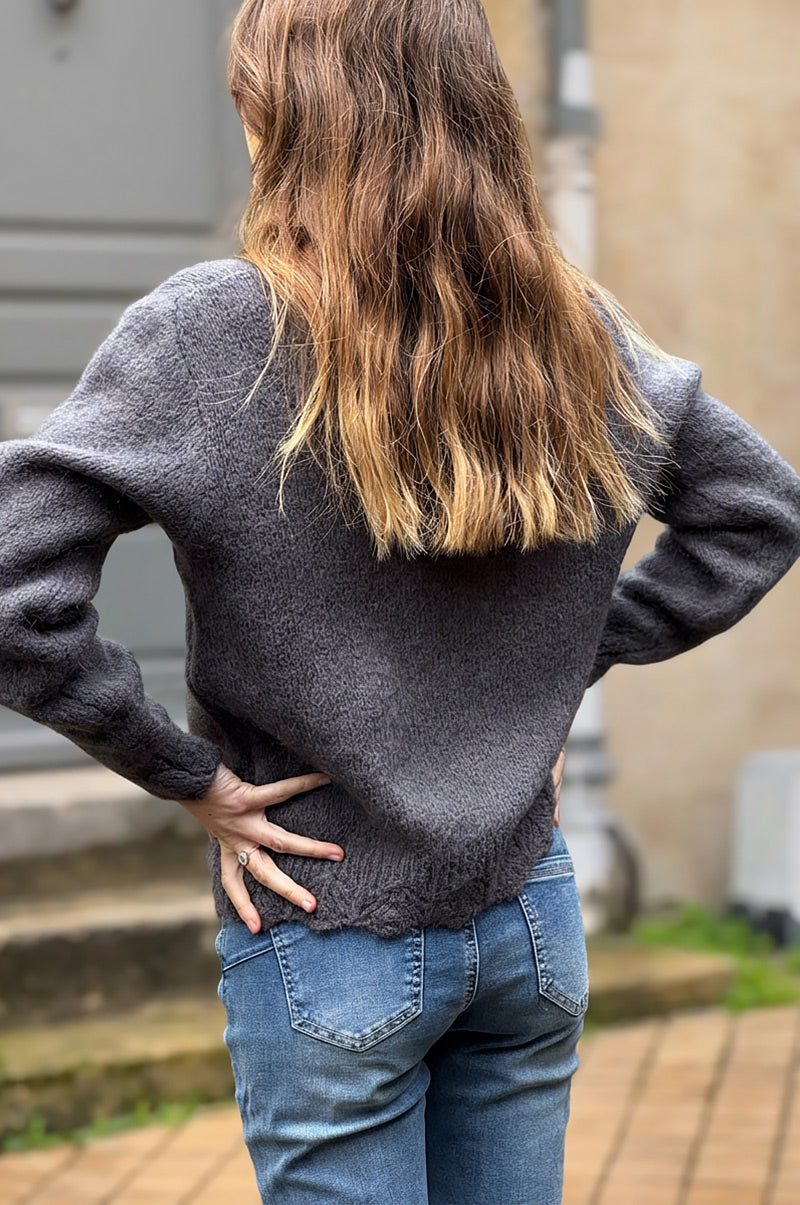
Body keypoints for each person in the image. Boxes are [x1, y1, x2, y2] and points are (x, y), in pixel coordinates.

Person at [1, 1, 799, 1201]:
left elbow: (12, 584)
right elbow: (757, 510)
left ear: (282, 111)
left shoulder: (210, 333)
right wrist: (557, 665)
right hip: (529, 916)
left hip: (330, 924)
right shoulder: (574, 328)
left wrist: (185, 774)